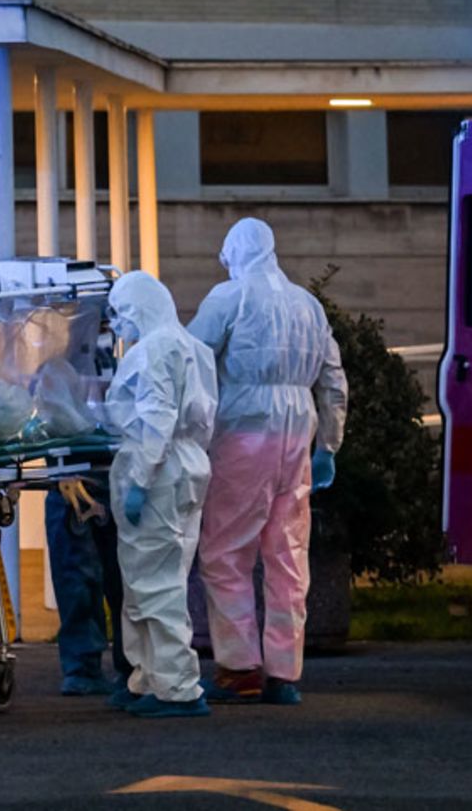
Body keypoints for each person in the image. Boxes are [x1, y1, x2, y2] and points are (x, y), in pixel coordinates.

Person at [188, 218, 348, 706]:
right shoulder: (308, 305)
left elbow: (189, 359)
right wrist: (329, 447)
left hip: (243, 431)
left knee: (226, 551)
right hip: (298, 433)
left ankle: (239, 669)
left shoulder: (228, 299)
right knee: (287, 554)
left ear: (235, 253)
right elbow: (334, 379)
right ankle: (285, 673)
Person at [102, 271, 218, 718]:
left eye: (122, 312)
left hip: (157, 470)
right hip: (188, 465)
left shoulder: (153, 350)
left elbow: (156, 418)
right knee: (158, 577)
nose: (119, 323)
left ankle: (177, 687)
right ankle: (149, 678)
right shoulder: (192, 347)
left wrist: (142, 479)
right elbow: (205, 418)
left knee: (155, 584)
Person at [45, 479, 131, 696]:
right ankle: (125, 668)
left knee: (82, 581)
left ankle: (86, 668)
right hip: (103, 477)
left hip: (73, 477)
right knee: (116, 582)